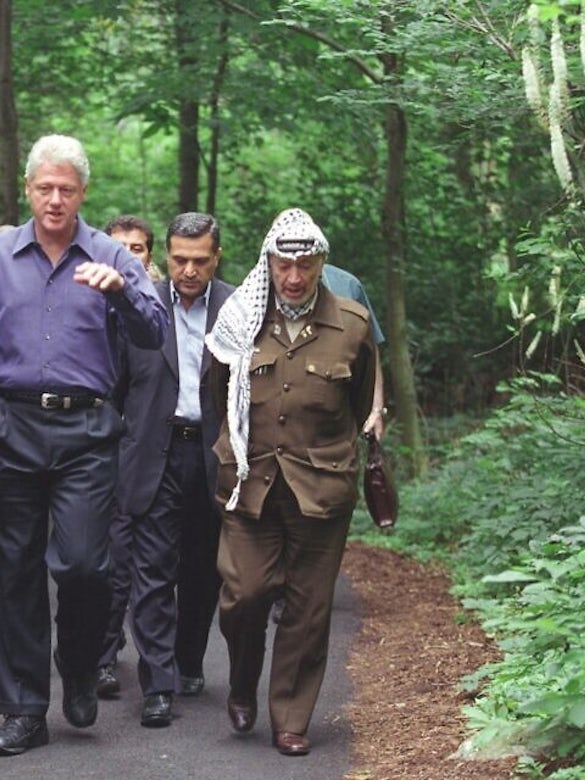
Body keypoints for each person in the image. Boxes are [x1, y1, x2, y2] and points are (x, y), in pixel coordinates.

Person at [0, 134, 168, 756]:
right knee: (14, 572)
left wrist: (121, 291)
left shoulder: (110, 253)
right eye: (44, 188)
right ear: (28, 190)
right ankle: (24, 709)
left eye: (66, 190)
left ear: (83, 194)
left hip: (85, 432)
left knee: (83, 565)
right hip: (11, 428)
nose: (55, 200)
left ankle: (78, 664)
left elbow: (155, 333)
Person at [205, 208, 376, 757]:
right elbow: (217, 397)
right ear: (269, 263)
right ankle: (241, 678)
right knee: (244, 596)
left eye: (306, 264)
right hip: (250, 484)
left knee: (308, 607)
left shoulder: (351, 324)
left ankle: (291, 717)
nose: (295, 276)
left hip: (320, 490)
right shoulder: (239, 318)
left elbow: (361, 400)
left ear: (322, 263)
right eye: (285, 264)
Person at [113, 212, 234, 728]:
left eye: (199, 260)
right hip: (153, 452)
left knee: (203, 571)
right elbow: (115, 383)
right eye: (179, 259)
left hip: (212, 454)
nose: (188, 270)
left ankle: (188, 660)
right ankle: (157, 682)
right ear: (166, 256)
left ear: (216, 258)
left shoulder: (237, 308)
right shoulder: (141, 307)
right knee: (153, 572)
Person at [94, 213, 173, 701]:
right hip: (101, 452)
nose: (128, 256)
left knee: (149, 567)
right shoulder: (86, 304)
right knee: (107, 564)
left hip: (149, 451)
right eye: (118, 247)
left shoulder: (157, 312)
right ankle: (103, 656)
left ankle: (157, 670)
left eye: (137, 248)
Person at [322, 265, 388, 439]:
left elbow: (370, 350)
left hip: (344, 418)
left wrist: (376, 409)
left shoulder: (347, 286)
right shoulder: (261, 286)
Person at [104, 214, 165, 282]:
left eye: (136, 249)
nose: (127, 255)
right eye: (118, 249)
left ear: (149, 260)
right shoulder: (90, 290)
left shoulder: (159, 292)